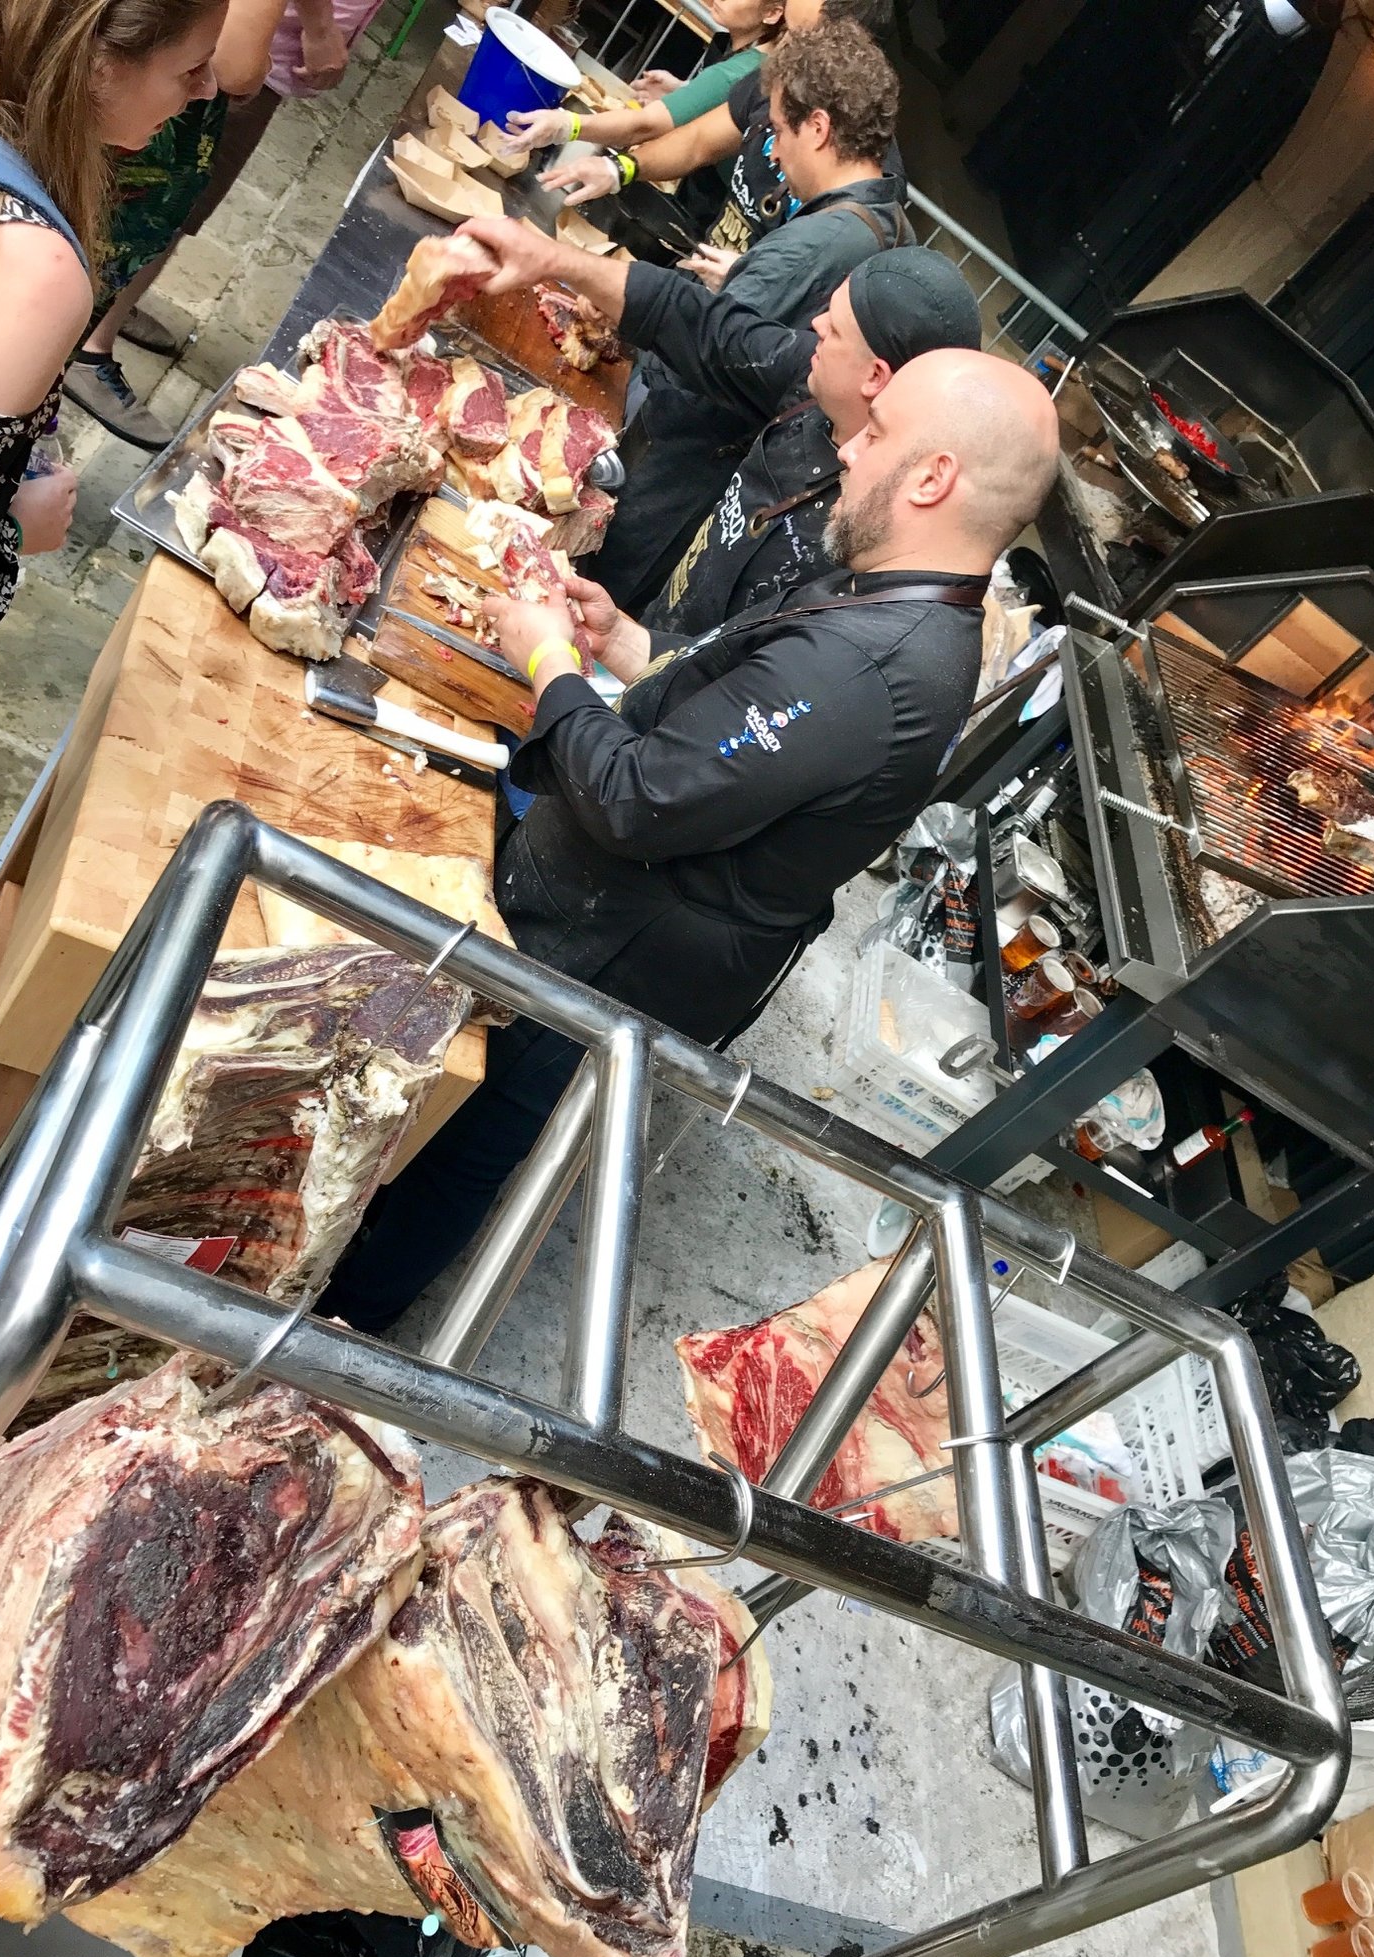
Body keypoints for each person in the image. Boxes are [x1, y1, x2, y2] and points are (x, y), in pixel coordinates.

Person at [316, 346, 1062, 1333]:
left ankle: (340, 1318)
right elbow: (748, 698)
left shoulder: (873, 666)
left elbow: (639, 802)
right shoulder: (898, 595)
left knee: (474, 1130)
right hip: (635, 907)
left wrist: (550, 665)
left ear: (933, 478)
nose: (848, 450)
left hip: (622, 943)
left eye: (878, 435)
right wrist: (626, 644)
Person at [460, 217, 987, 640]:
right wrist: (551, 259)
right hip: (646, 643)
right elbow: (702, 325)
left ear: (874, 377)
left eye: (836, 328)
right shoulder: (811, 381)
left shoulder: (876, 534)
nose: (816, 326)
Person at [573, 21, 909, 614]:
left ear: (818, 128)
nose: (772, 151)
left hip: (684, 470)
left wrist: (622, 310)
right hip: (731, 469)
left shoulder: (815, 243)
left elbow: (705, 345)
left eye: (778, 131)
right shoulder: (888, 218)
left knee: (592, 602)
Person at [0, 0, 226, 634]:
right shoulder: (37, 271)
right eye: (190, 68)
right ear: (98, 63)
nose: (208, 88)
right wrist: (12, 529)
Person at [63, 0, 290, 449]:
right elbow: (237, 67)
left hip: (92, 98)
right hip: (139, 137)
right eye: (194, 71)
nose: (204, 86)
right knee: (87, 266)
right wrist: (262, 65)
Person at [508, 0, 785, 235]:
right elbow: (720, 101)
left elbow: (644, 125)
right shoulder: (751, 59)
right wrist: (685, 91)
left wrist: (567, 124)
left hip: (712, 212)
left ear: (772, 13)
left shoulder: (740, 73)